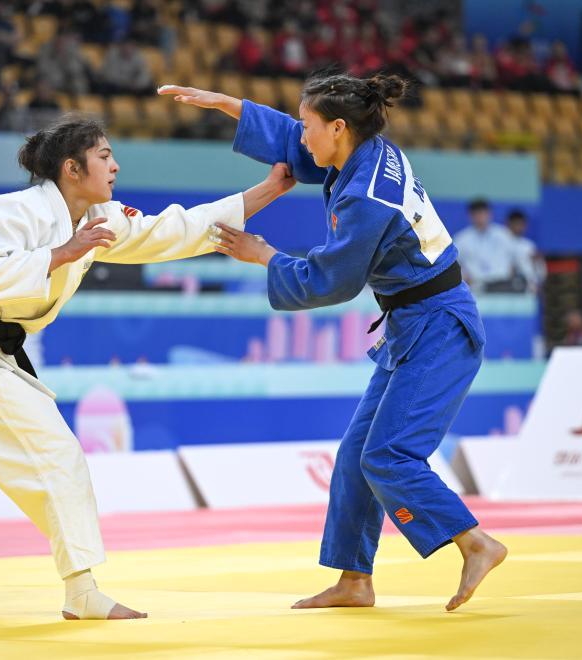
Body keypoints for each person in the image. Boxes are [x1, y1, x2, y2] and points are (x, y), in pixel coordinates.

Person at [0, 113, 295, 620]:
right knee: (58, 454)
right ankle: (82, 591)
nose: (115, 166)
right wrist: (61, 253)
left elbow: (172, 230)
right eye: (104, 156)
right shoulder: (9, 210)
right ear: (71, 168)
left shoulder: (101, 219)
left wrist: (269, 189)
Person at [160, 72, 507, 612]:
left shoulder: (367, 196)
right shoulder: (367, 151)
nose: (301, 135)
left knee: (388, 456)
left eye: (308, 125)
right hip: (414, 322)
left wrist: (263, 255)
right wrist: (229, 105)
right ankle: (354, 580)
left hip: (440, 327)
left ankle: (474, 541)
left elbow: (331, 282)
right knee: (354, 457)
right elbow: (295, 144)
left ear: (339, 128)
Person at [453, 198, 522, 293]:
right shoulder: (461, 239)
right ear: (470, 216)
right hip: (476, 288)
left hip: (503, 286)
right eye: (476, 214)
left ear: (490, 214)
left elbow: (516, 260)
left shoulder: (504, 234)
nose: (480, 217)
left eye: (483, 213)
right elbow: (456, 265)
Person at [505, 209, 544, 292]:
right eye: (516, 224)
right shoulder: (502, 243)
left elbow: (540, 273)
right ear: (509, 224)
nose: (519, 227)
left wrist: (536, 263)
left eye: (522, 224)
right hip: (504, 287)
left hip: (526, 288)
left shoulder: (529, 246)